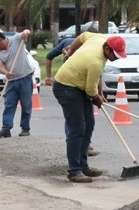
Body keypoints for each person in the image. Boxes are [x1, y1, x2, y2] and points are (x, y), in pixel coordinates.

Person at [52, 33, 126, 183]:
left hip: (79, 86)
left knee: (89, 125)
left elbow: (83, 36)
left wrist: (100, 94)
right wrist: (97, 98)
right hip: (66, 87)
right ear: (107, 49)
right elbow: (90, 90)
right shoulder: (95, 62)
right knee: (77, 128)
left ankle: (83, 166)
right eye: (115, 55)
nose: (116, 58)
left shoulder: (99, 39)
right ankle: (74, 171)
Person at [44, 35, 97, 156]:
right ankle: (74, 145)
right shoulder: (68, 43)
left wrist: (98, 94)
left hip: (83, 84)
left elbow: (96, 74)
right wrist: (48, 76)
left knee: (86, 120)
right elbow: (49, 56)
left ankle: (84, 145)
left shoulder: (92, 50)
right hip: (68, 84)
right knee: (74, 119)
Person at [0, 29, 33, 137]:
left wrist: (25, 34)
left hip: (25, 78)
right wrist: (6, 73)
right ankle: (6, 129)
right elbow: (0, 66)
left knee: (26, 105)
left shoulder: (16, 39)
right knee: (9, 105)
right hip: (11, 81)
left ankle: (25, 128)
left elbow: (26, 31)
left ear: (0, 40)